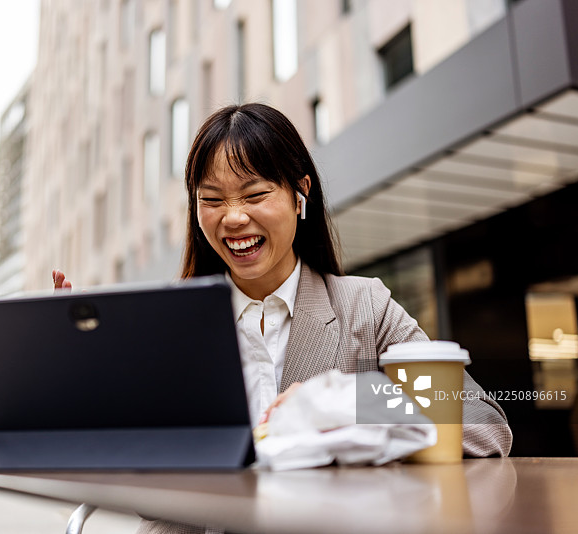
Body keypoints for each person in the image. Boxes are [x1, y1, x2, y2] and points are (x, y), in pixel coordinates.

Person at [54, 103, 512, 533]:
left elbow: (483, 425)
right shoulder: (168, 324)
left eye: (255, 194)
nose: (233, 218)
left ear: (300, 194)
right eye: (211, 200)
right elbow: (142, 492)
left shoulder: (364, 308)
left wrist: (337, 405)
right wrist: (94, 384)